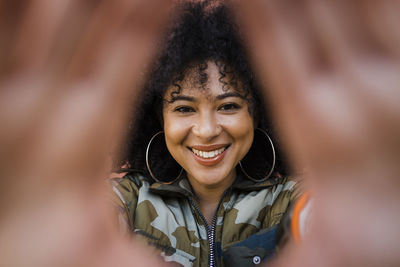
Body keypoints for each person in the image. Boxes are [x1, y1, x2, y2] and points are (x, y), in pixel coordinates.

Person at [112, 2, 302, 266]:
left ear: (257, 114)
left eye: (228, 106)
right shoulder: (124, 201)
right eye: (184, 109)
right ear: (160, 118)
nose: (207, 130)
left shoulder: (294, 202)